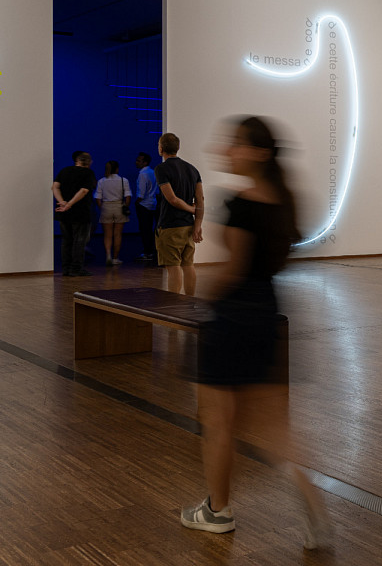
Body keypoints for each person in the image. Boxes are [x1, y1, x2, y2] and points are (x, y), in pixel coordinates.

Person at [179, 116, 329, 549]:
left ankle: (217, 510)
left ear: (260, 154)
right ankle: (311, 503)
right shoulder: (283, 202)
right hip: (267, 311)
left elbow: (233, 270)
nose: (227, 149)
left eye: (236, 144)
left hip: (232, 318)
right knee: (274, 427)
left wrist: (206, 300)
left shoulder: (242, 204)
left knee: (218, 421)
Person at [155, 133, 204, 295]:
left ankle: (174, 307)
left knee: (173, 266)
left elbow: (172, 199)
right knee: (188, 265)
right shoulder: (192, 169)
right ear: (178, 148)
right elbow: (200, 199)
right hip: (188, 226)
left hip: (170, 225)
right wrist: (197, 225)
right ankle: (190, 302)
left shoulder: (161, 169)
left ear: (161, 149)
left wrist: (192, 210)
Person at [52, 151, 97, 277]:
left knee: (66, 241)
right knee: (80, 241)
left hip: (64, 213)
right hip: (81, 212)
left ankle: (66, 268)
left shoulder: (65, 170)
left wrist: (62, 202)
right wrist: (69, 204)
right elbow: (83, 190)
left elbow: (55, 187)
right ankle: (76, 269)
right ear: (89, 162)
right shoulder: (88, 173)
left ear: (76, 161)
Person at [94, 160, 132, 266]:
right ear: (117, 169)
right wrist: (126, 206)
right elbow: (128, 196)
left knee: (107, 234)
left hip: (106, 207)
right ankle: (115, 258)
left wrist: (102, 207)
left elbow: (97, 198)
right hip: (119, 206)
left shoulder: (102, 181)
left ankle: (108, 255)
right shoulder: (123, 180)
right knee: (117, 234)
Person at [134, 152, 158, 262]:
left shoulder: (142, 174)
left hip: (144, 205)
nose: (136, 162)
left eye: (139, 160)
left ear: (145, 162)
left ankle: (147, 252)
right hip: (153, 203)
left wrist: (136, 202)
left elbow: (141, 193)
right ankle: (153, 251)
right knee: (152, 229)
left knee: (145, 230)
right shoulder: (153, 172)